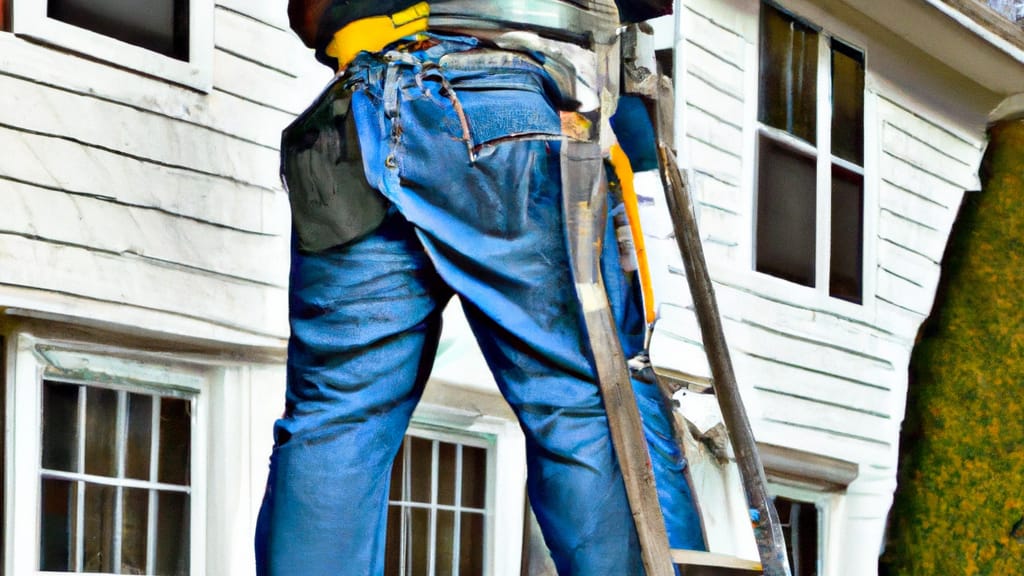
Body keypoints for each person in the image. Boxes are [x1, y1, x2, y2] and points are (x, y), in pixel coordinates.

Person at [255, 1, 704, 574]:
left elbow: (309, 14)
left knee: (336, 417)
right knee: (579, 398)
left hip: (351, 119)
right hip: (495, 98)